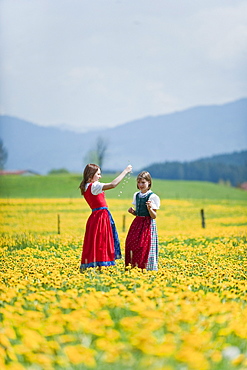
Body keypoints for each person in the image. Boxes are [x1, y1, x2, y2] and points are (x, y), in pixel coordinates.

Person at [79, 163, 132, 270]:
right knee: (103, 240)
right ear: (91, 175)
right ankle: (102, 265)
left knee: (94, 241)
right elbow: (113, 184)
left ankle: (94, 264)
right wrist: (125, 171)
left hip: (94, 216)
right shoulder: (94, 186)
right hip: (101, 216)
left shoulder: (86, 187)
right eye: (98, 174)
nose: (100, 176)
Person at [125, 171, 160, 271]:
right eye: (139, 182)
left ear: (149, 182)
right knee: (130, 244)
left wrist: (150, 208)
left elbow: (154, 216)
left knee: (143, 246)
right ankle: (133, 266)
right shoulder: (137, 195)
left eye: (143, 182)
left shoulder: (153, 197)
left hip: (147, 224)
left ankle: (145, 267)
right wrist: (133, 212)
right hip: (137, 223)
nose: (140, 185)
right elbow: (139, 213)